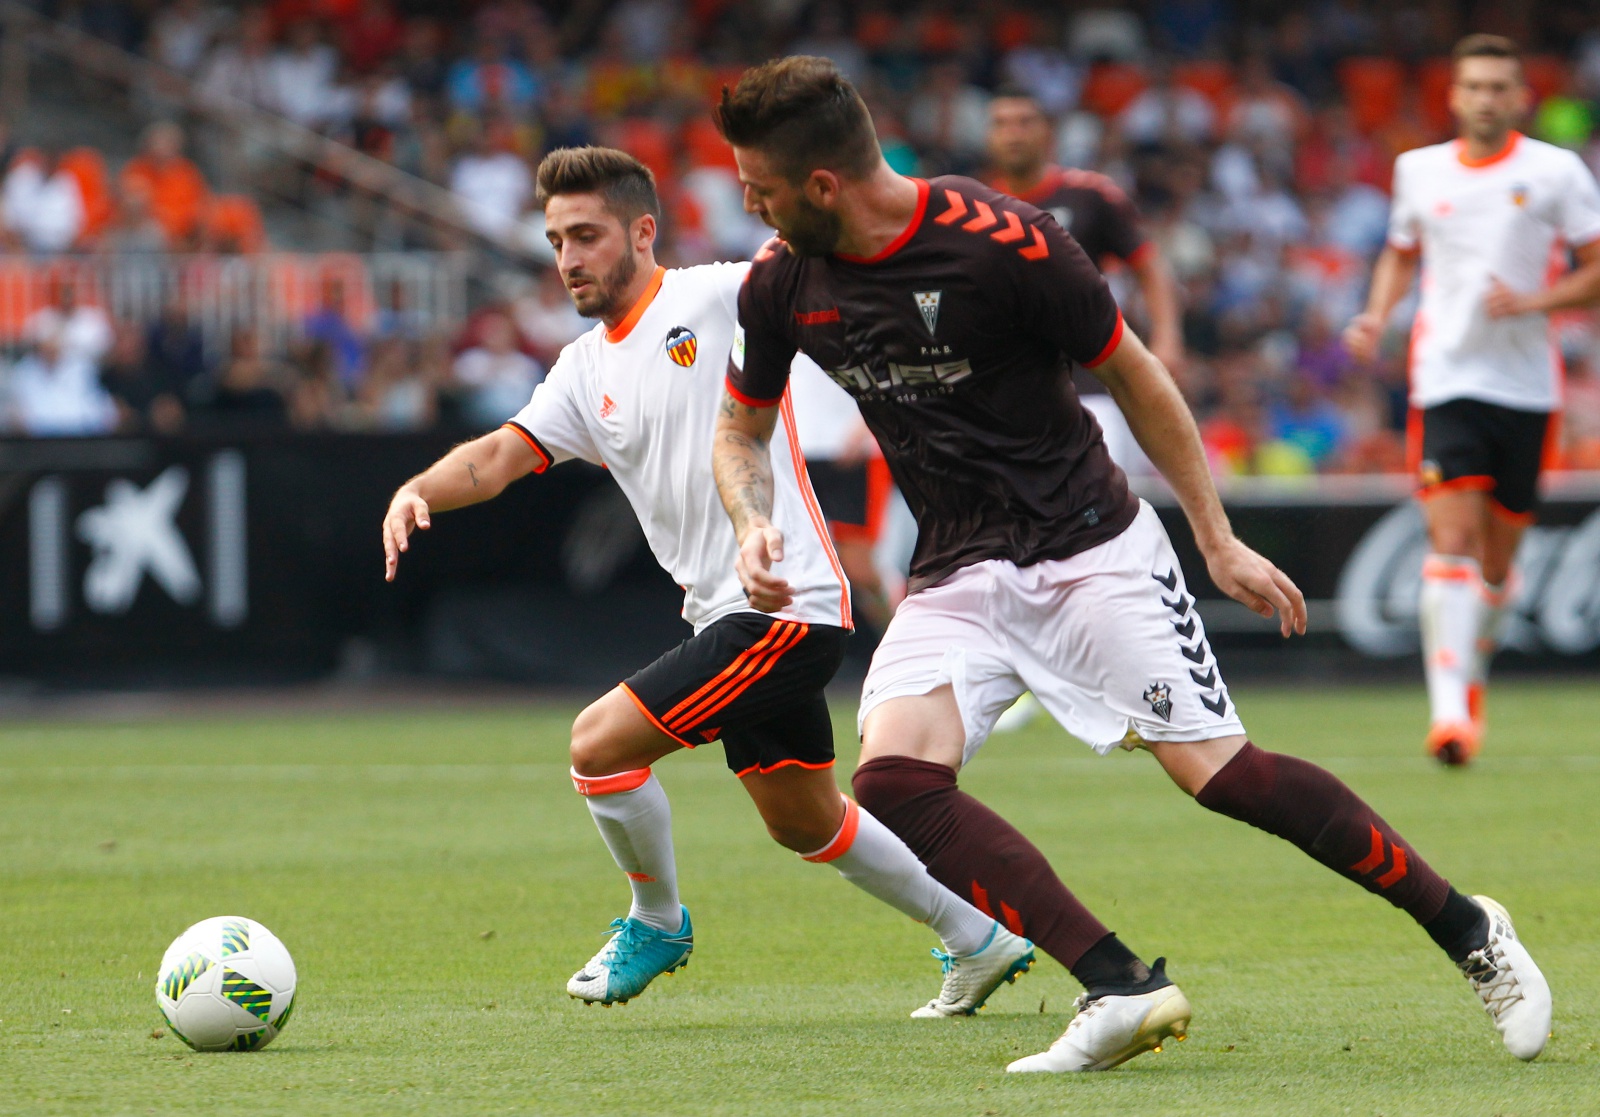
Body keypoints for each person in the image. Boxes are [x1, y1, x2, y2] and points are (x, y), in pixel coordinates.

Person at [709, 56, 1551, 1073]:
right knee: (892, 777)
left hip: (1090, 548)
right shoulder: (780, 279)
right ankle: (1117, 985)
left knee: (1221, 776)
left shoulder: (1004, 244)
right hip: (958, 569)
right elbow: (738, 432)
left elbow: (1137, 375)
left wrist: (1215, 535)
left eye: (759, 185)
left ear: (824, 185)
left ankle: (1467, 928)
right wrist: (753, 520)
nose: (747, 202)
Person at [381, 146, 1033, 1016]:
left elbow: (816, 252)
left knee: (596, 747)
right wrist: (420, 487)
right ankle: (979, 937)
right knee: (805, 818)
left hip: (782, 604)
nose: (569, 257)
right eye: (555, 240)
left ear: (643, 232)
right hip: (731, 613)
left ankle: (657, 919)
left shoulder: (717, 296)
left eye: (587, 235)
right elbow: (502, 454)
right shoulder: (583, 369)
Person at [1344, 34, 1600, 766]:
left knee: (1497, 562)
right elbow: (1401, 249)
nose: (1487, 98)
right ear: (1452, 96)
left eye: (1500, 87)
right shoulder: (1417, 171)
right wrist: (1375, 313)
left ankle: (1471, 676)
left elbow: (1596, 267)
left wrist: (1537, 300)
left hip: (1527, 389)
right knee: (1449, 541)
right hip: (1446, 378)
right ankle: (1450, 713)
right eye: (1475, 86)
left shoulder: (1555, 171)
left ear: (1521, 97)